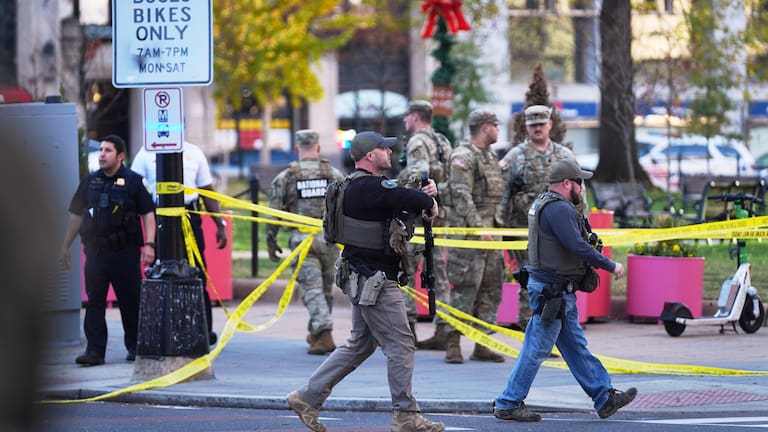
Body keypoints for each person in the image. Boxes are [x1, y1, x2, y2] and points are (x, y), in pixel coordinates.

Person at [286, 131, 445, 432]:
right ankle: (406, 414)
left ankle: (307, 397)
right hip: (376, 282)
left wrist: (424, 198)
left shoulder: (354, 188)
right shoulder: (370, 189)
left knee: (360, 344)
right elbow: (408, 197)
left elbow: (401, 202)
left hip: (361, 277)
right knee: (401, 344)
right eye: (385, 148)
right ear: (370, 156)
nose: (390, 152)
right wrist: (428, 197)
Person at [493, 158, 636, 422]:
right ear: (567, 183)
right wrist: (610, 265)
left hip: (554, 291)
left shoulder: (544, 203)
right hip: (553, 291)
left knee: (575, 347)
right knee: (536, 349)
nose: (582, 188)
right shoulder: (559, 209)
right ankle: (508, 402)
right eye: (579, 182)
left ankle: (604, 397)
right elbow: (577, 246)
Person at [59, 135, 156, 366]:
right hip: (96, 252)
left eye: (108, 150)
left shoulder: (134, 182)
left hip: (125, 251)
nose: (102, 154)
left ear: (120, 156)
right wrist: (65, 245)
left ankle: (135, 346)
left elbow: (148, 214)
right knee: (94, 302)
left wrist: (150, 245)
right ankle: (94, 351)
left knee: (130, 300)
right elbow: (76, 215)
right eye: (101, 150)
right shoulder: (90, 182)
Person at [131, 140, 227, 346]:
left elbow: (206, 191)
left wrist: (220, 224)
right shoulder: (146, 152)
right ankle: (162, 330)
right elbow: (134, 188)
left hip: (190, 217)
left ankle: (203, 330)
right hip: (160, 219)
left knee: (198, 272)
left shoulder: (194, 151)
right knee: (161, 275)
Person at [498, 105, 576, 330]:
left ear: (550, 124)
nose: (538, 128)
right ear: (526, 127)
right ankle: (529, 328)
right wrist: (500, 227)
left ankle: (550, 329)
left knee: (556, 282)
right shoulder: (515, 157)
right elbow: (501, 193)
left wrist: (582, 226)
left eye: (542, 124)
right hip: (525, 231)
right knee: (529, 280)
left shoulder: (563, 156)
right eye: (533, 125)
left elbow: (579, 193)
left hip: (558, 234)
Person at [267, 129, 345, 355]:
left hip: (303, 242)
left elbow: (273, 213)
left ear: (297, 149)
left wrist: (271, 241)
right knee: (325, 289)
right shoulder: (333, 174)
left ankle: (324, 332)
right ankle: (317, 333)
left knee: (311, 289)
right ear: (318, 148)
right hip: (330, 241)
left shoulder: (287, 177)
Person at [443, 109, 506, 364]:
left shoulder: (489, 156)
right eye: (495, 126)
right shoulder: (463, 156)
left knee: (491, 288)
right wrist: (478, 229)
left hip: (492, 233)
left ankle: (482, 344)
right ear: (485, 128)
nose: (498, 130)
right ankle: (452, 342)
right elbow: (460, 195)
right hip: (469, 237)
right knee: (465, 289)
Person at [398, 100, 452, 350]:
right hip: (439, 216)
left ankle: (408, 331)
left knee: (406, 273)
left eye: (406, 115)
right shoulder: (442, 141)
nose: (404, 120)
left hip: (418, 219)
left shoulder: (417, 142)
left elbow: (417, 177)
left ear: (415, 117)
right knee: (439, 276)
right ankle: (444, 329)